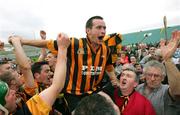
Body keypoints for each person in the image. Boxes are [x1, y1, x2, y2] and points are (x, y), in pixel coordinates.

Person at [18, 16, 120, 111]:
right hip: (74, 95)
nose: (103, 31)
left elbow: (109, 66)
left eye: (104, 28)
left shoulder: (106, 49)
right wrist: (23, 41)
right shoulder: (75, 44)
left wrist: (113, 79)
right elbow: (47, 43)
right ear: (88, 30)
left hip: (93, 92)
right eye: (99, 28)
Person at [0, 33, 69, 115]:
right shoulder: (29, 91)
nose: (13, 92)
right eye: (8, 94)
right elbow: (25, 68)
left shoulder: (21, 94)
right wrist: (62, 48)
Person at [136, 30, 180, 115]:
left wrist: (168, 60)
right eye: (149, 75)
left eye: (156, 76)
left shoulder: (165, 90)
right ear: (144, 75)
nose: (152, 79)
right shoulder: (138, 89)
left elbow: (177, 91)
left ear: (163, 78)